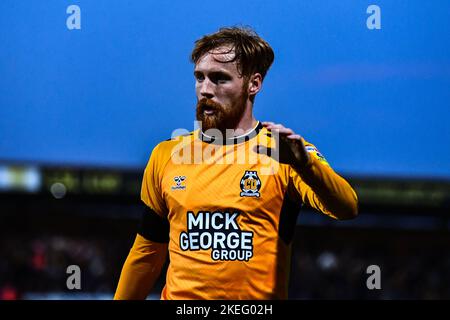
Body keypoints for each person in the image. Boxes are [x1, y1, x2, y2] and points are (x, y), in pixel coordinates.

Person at [114, 26, 358, 300]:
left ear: (253, 84)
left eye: (219, 79)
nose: (205, 89)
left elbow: (347, 207)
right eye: (200, 77)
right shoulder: (167, 155)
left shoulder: (285, 153)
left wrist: (305, 165)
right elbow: (147, 253)